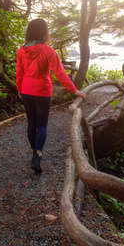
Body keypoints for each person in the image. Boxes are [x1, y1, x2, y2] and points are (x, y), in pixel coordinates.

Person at [16, 18, 86, 174]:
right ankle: (38, 153)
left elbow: (19, 72)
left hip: (26, 91)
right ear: (43, 32)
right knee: (41, 125)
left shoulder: (21, 50)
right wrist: (75, 91)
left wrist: (19, 89)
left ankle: (34, 150)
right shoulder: (48, 50)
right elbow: (60, 73)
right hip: (42, 91)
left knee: (31, 124)